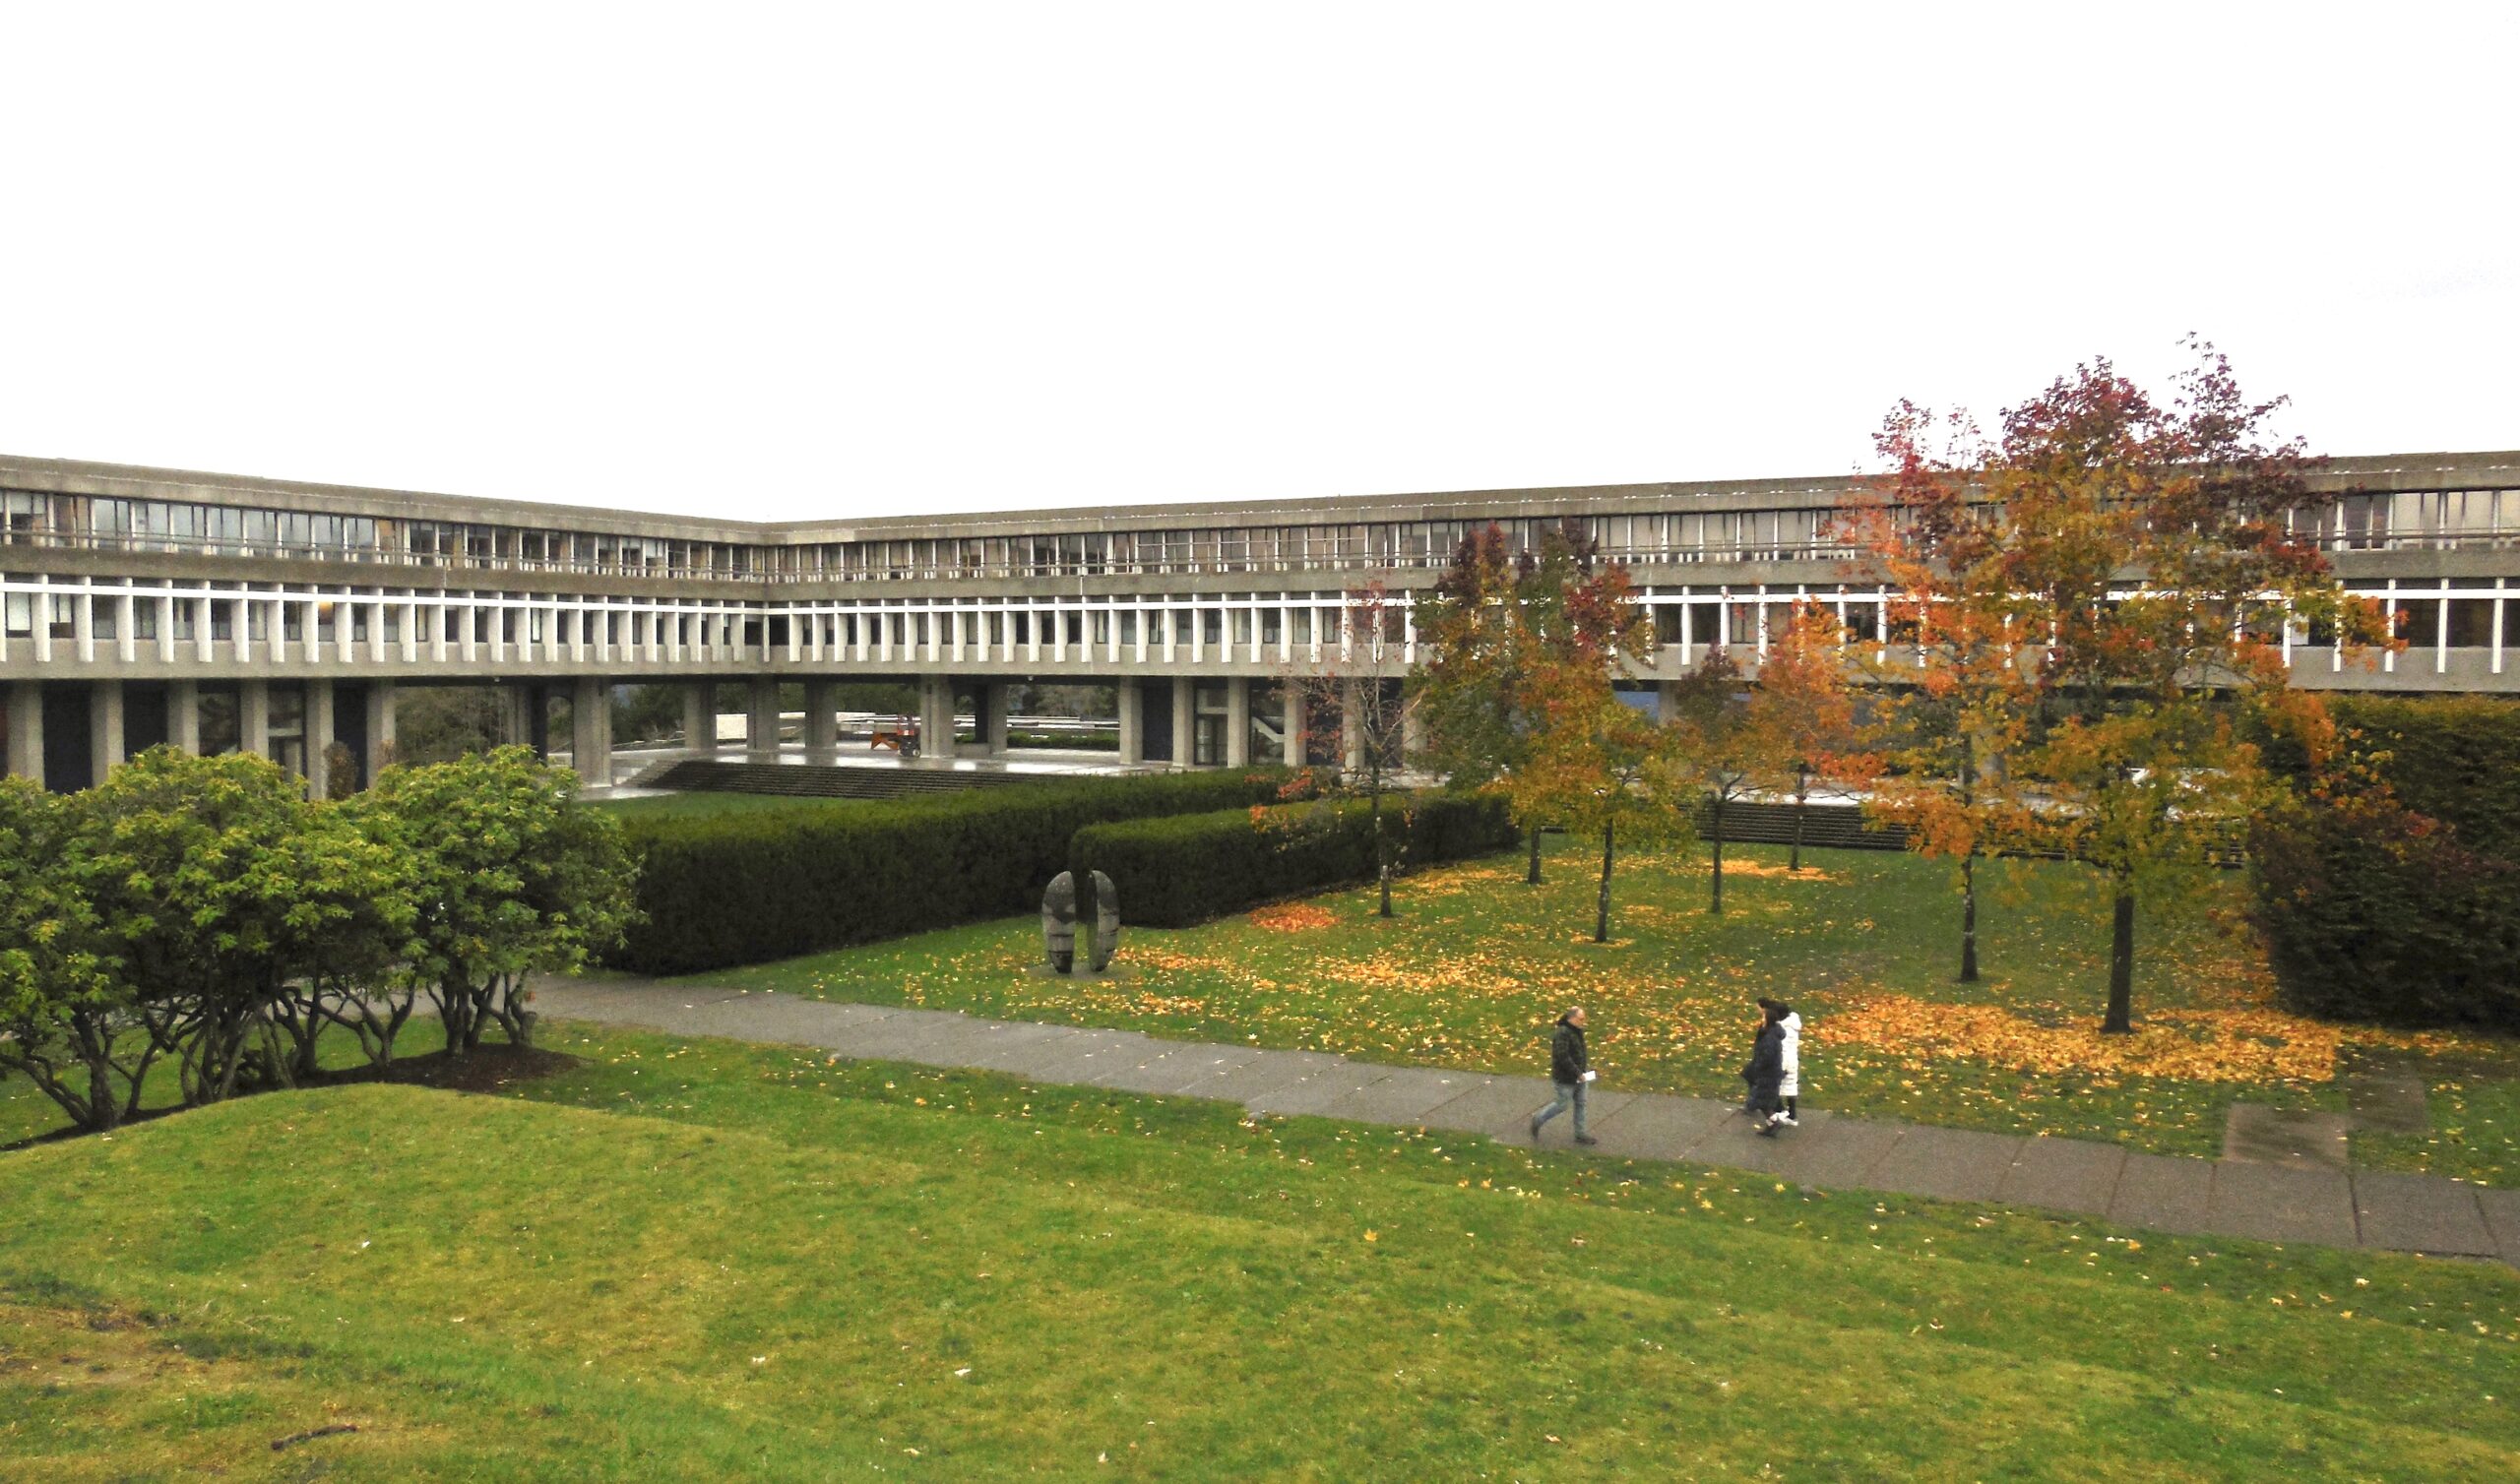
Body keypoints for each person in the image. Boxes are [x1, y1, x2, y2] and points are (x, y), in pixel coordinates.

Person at [1529, 1006, 1598, 1146]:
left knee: (1581, 1104)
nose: (1583, 1022)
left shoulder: (1576, 1031)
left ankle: (1580, 1134)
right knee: (1561, 1105)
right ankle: (1538, 1119)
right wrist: (1578, 1073)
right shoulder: (1562, 1033)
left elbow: (1578, 1053)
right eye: (1581, 1019)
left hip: (1580, 1076)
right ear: (1571, 1018)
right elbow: (1562, 1056)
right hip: (1566, 1078)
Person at [1745, 1003, 1789, 1136]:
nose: (1761, 1019)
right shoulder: (1771, 1033)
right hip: (1770, 1073)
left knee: (1762, 1100)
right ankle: (1772, 1125)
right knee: (1764, 1101)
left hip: (1768, 1074)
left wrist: (1758, 1066)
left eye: (1763, 1017)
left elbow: (1767, 1056)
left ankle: (1774, 1122)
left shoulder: (1770, 1038)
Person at [1774, 1001, 1802, 1127]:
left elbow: (1782, 1049)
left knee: (1775, 1085)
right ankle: (1792, 1115)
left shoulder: (1782, 1030)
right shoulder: (1794, 1023)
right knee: (1791, 1087)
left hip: (1783, 1061)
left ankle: (1779, 1111)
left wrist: (1781, 1067)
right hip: (1793, 1060)